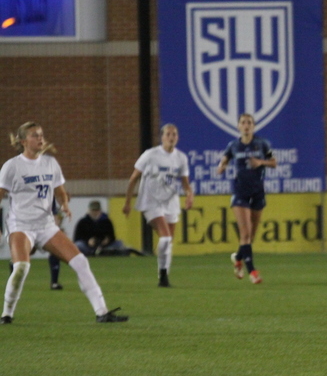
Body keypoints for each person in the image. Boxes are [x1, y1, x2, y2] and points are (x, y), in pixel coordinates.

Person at [0, 121, 126, 324]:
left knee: (81, 262)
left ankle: (102, 312)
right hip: (21, 225)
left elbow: (60, 191)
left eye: (41, 134)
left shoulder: (50, 163)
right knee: (22, 268)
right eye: (35, 135)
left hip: (46, 225)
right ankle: (7, 313)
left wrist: (64, 204)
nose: (40, 138)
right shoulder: (12, 166)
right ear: (23, 141)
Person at [123, 123, 194, 288]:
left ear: (178, 138)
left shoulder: (181, 158)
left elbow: (185, 183)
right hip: (151, 201)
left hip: (170, 201)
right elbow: (134, 178)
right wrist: (128, 202)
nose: (171, 137)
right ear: (162, 137)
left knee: (168, 242)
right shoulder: (150, 155)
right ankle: (162, 272)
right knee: (166, 237)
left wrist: (190, 195)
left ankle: (163, 277)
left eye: (174, 134)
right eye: (168, 134)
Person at [216, 113, 277, 285]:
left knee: (251, 236)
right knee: (245, 233)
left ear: (254, 126)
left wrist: (261, 162)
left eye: (249, 122)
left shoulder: (262, 144)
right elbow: (224, 160)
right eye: (243, 122)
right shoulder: (233, 145)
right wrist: (221, 167)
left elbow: (274, 163)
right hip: (240, 192)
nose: (246, 125)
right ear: (238, 126)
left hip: (258, 192)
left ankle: (238, 258)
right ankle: (253, 271)